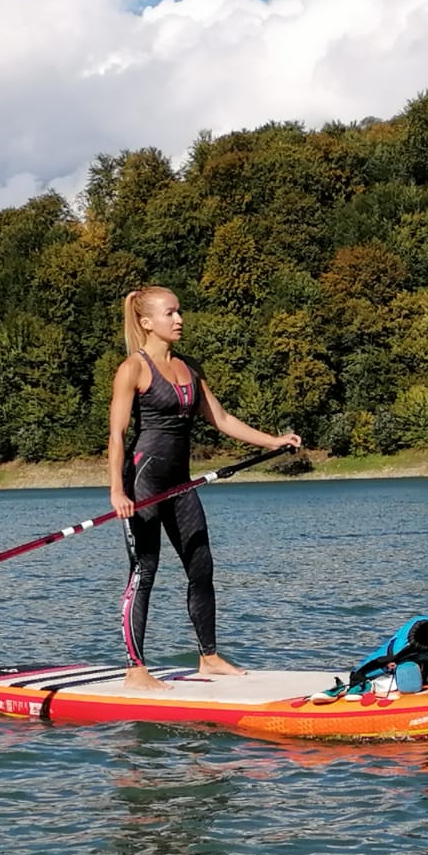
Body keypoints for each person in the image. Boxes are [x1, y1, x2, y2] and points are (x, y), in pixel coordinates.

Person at [107, 285, 302, 692]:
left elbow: (222, 417)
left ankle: (208, 657)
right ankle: (135, 669)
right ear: (147, 322)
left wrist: (273, 440)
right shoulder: (134, 369)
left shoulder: (189, 367)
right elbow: (118, 434)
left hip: (181, 483)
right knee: (145, 570)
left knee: (201, 566)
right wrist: (116, 492)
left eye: (180, 312)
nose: (179, 319)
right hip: (143, 483)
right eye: (170, 313)